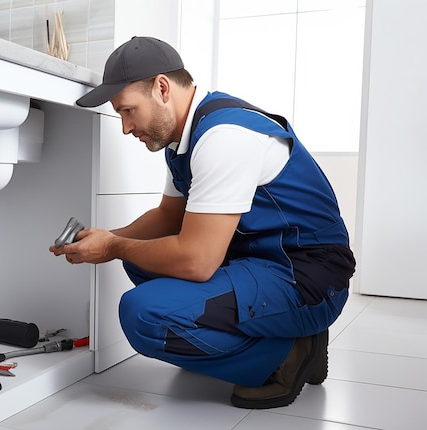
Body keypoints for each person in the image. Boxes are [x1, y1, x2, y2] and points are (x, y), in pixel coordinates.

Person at [50, 36, 355, 409]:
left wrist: (113, 247)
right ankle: (267, 336)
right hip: (263, 263)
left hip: (307, 277)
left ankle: (291, 350)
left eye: (128, 111)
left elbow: (196, 261)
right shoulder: (186, 137)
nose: (126, 128)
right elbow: (168, 217)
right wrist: (109, 237)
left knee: (142, 313)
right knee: (141, 260)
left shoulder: (224, 136)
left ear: (162, 88)